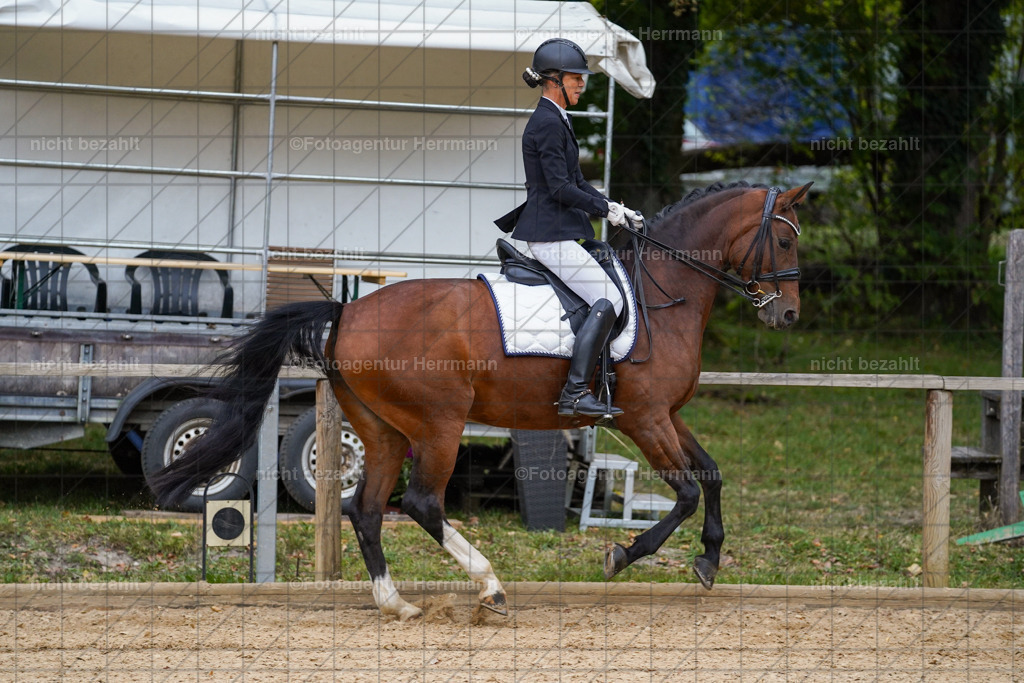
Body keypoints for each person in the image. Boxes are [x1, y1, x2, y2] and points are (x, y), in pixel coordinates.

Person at [494, 38, 637, 418]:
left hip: (558, 232)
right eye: (576, 78)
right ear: (554, 79)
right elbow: (559, 188)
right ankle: (574, 392)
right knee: (611, 300)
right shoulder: (545, 122)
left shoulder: (558, 117)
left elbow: (576, 180)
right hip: (549, 237)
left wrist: (612, 206)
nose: (582, 84)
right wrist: (604, 212)